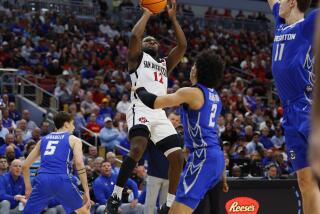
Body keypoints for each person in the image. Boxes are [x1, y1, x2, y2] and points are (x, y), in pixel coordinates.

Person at [106, 0, 187, 213]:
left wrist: (173, 19)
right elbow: (134, 36)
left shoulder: (163, 64)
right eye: (147, 39)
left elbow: (182, 46)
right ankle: (115, 196)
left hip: (159, 113)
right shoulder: (136, 59)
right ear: (142, 46)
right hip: (140, 108)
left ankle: (169, 205)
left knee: (178, 156)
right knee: (137, 148)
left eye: (154, 40)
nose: (151, 41)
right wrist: (148, 13)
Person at [134, 50, 225, 213]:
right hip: (214, 159)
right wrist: (222, 174)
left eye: (194, 65)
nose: (192, 68)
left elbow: (154, 102)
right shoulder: (216, 97)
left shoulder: (191, 93)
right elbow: (213, 136)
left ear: (197, 70)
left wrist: (139, 88)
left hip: (202, 158)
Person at [267, 0, 320, 213]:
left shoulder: (307, 24)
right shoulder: (280, 24)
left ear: (292, 2)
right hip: (289, 113)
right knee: (305, 181)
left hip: (308, 107)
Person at [22, 111, 91, 214]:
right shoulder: (74, 139)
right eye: (72, 124)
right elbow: (80, 164)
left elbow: (25, 166)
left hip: (43, 179)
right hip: (62, 178)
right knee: (83, 211)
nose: (74, 127)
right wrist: (86, 190)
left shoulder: (43, 140)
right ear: (66, 124)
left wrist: (28, 188)